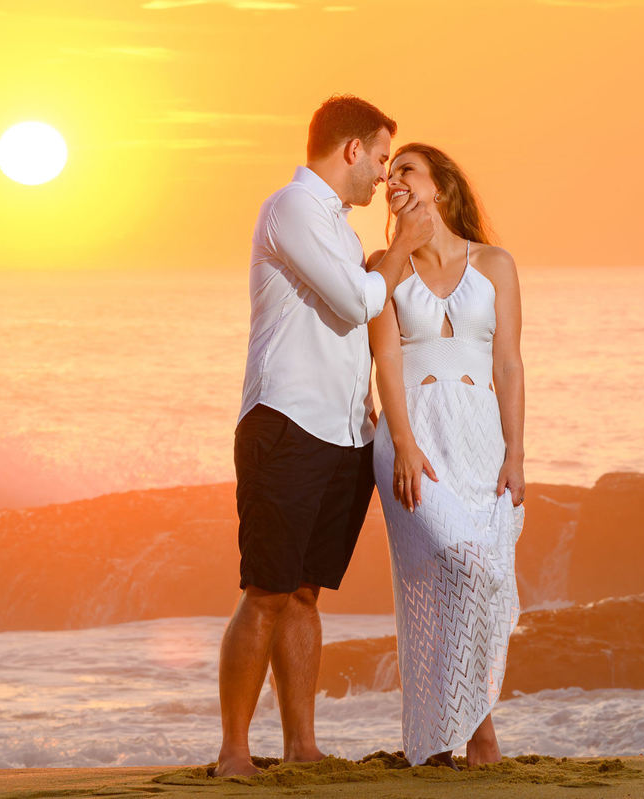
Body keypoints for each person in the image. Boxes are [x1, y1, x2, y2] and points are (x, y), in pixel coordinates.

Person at [215, 95, 433, 778]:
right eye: (379, 157)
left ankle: (301, 747)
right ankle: (232, 752)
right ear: (350, 150)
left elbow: (361, 313)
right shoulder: (291, 208)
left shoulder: (337, 226)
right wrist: (399, 250)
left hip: (342, 431)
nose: (383, 175)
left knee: (306, 592)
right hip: (286, 421)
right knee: (267, 590)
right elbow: (357, 302)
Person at [366, 143, 525, 768]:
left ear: (442, 187)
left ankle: (439, 738)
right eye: (390, 172)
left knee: (478, 577)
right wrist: (403, 444)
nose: (393, 179)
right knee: (457, 570)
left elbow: (508, 363)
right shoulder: (386, 266)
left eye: (407, 169)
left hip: (481, 437)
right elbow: (387, 359)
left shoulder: (496, 264)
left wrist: (516, 453)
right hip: (415, 436)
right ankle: (476, 733)